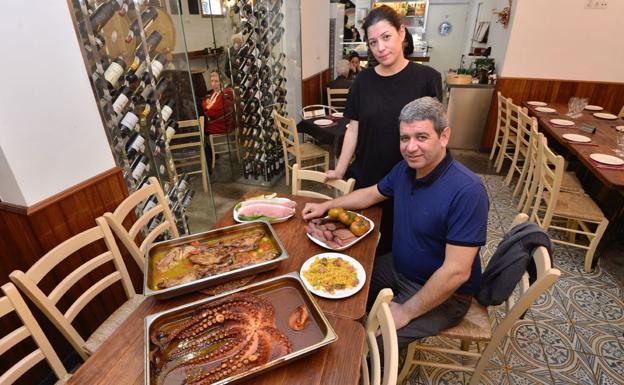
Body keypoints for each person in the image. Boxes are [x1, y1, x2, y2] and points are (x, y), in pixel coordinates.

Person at [303, 97, 489, 348]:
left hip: (445, 293)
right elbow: (371, 194)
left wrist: (406, 311)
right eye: (404, 138)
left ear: (444, 136)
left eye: (421, 137)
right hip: (399, 267)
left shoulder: (468, 191)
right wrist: (327, 206)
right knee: (343, 292)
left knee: (376, 345)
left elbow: (456, 272)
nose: (411, 147)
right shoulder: (404, 170)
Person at [327, 5, 443, 254]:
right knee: (363, 247)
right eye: (373, 42)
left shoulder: (428, 78)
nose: (380, 47)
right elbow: (353, 129)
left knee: (401, 251)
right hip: (368, 178)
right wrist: (340, 168)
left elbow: (437, 137)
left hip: (412, 182)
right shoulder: (363, 81)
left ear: (402, 33)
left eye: (386, 37)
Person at [202, 71, 235, 173]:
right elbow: (205, 103)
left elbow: (211, 111)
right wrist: (206, 105)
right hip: (216, 122)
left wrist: (207, 106)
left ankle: (209, 159)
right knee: (201, 129)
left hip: (223, 124)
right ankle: (210, 155)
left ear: (222, 82)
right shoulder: (215, 93)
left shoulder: (225, 93)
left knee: (201, 130)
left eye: (216, 81)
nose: (214, 84)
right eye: (212, 81)